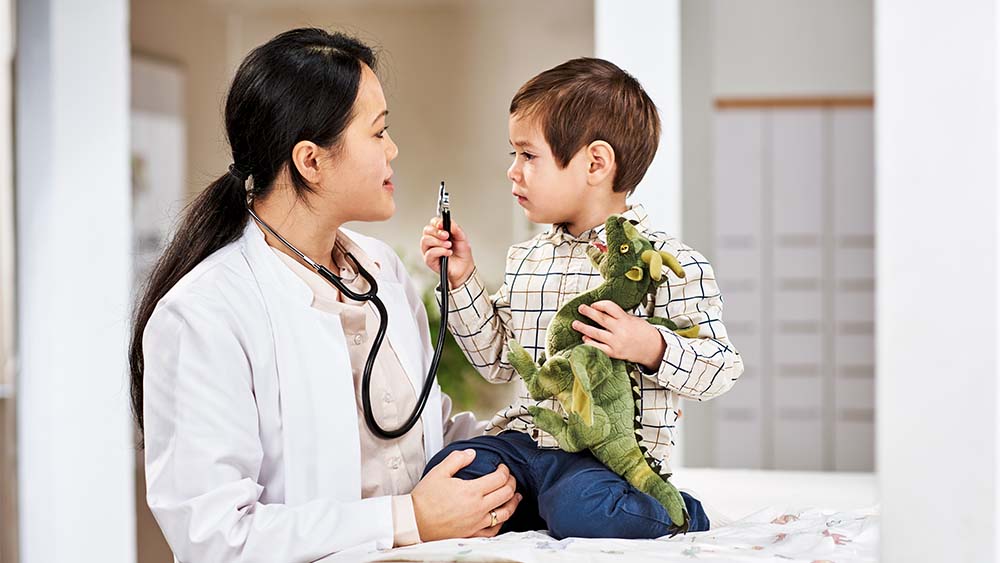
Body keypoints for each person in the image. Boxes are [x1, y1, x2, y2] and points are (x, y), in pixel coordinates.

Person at [129, 28, 520, 562]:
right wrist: (411, 519)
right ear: (310, 161)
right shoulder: (204, 312)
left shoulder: (381, 269)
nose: (394, 149)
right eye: (379, 133)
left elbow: (426, 433)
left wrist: (543, 435)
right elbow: (216, 537)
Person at [420, 58, 744, 540]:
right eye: (514, 154)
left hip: (600, 457)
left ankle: (678, 512)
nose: (512, 172)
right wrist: (463, 280)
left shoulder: (670, 262)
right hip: (526, 442)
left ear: (595, 163)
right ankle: (541, 505)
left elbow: (722, 369)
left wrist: (650, 345)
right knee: (451, 465)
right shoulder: (526, 259)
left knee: (583, 510)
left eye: (528, 156)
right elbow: (496, 364)